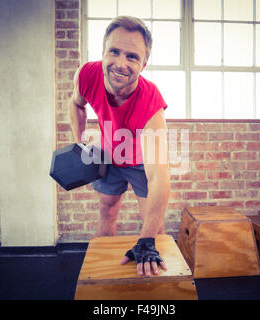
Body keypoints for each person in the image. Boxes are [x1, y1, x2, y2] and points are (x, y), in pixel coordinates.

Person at [69, 16, 170, 277]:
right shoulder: (87, 75)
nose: (121, 64)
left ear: (143, 64)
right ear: (103, 52)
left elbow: (159, 174)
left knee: (154, 226)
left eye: (132, 57)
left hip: (140, 161)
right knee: (107, 210)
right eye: (114, 51)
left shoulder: (151, 104)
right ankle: (103, 277)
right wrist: (79, 140)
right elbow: (76, 104)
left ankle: (156, 279)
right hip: (109, 154)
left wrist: (146, 240)